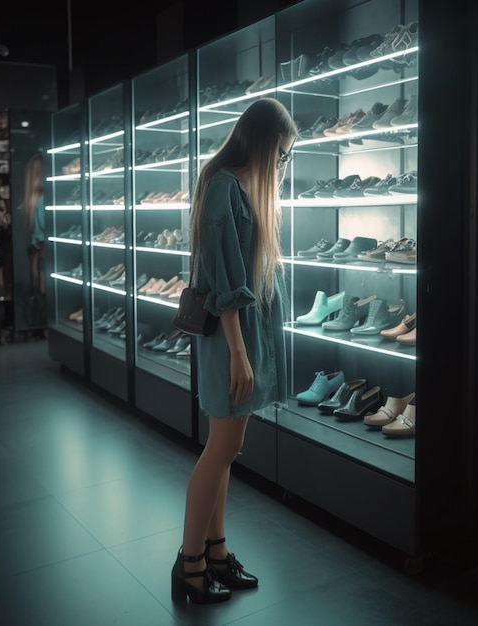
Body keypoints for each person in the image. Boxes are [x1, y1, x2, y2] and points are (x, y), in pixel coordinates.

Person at [171, 97, 298, 605]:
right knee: (221, 449)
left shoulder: (238, 187)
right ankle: (191, 562)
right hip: (233, 337)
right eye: (282, 155)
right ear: (264, 145)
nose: (283, 165)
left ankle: (216, 551)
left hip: (243, 332)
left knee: (225, 451)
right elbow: (224, 282)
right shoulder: (225, 188)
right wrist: (240, 353)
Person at [23, 152, 46, 296]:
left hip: (37, 254)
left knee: (41, 294)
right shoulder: (44, 201)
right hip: (46, 253)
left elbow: (36, 234)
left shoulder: (31, 202)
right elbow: (45, 228)